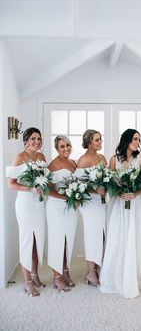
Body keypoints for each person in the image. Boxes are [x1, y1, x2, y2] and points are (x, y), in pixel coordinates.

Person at [100, 128, 141, 298]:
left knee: (136, 236)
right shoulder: (113, 159)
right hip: (119, 204)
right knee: (118, 237)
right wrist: (119, 193)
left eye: (139, 139)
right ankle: (116, 276)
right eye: (134, 138)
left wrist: (134, 194)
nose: (137, 142)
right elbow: (110, 182)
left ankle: (138, 277)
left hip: (137, 203)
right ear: (126, 140)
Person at [6, 127, 46, 297]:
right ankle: (27, 281)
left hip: (39, 204)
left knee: (37, 242)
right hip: (25, 204)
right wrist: (30, 188)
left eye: (38, 138)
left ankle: (35, 275)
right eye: (33, 139)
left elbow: (45, 178)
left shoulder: (42, 157)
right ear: (26, 141)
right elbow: (11, 184)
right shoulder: (20, 158)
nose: (36, 142)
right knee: (27, 242)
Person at [46, 135, 78, 292]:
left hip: (71, 207)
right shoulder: (53, 165)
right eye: (62, 146)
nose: (66, 149)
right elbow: (47, 190)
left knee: (68, 240)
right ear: (57, 149)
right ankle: (57, 277)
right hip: (56, 207)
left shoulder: (73, 162)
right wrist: (66, 197)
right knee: (57, 240)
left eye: (68, 145)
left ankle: (66, 272)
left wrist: (76, 196)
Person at [76, 129, 107, 287]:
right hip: (89, 203)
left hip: (103, 202)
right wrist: (95, 190)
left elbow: (107, 179)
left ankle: (100, 267)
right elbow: (79, 186)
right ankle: (90, 272)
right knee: (92, 236)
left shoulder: (102, 158)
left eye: (100, 139)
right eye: (97, 140)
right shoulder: (83, 160)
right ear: (89, 143)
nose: (100, 142)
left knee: (102, 235)